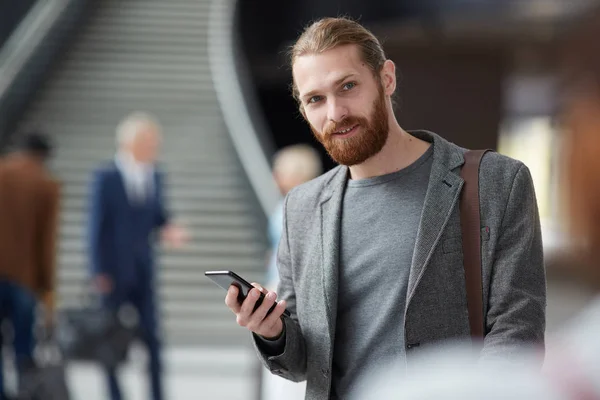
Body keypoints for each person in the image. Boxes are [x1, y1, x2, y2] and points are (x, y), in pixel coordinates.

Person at [224, 17, 546, 399]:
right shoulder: (303, 208)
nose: (335, 112)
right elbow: (303, 361)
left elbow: (517, 332)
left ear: (386, 79)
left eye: (348, 86)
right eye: (316, 99)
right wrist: (272, 331)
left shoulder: (497, 182)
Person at [88, 112, 188, 400]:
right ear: (131, 142)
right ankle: (115, 395)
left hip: (144, 269)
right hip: (113, 271)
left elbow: (158, 216)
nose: (155, 147)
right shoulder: (106, 176)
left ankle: (157, 394)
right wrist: (98, 271)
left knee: (153, 339)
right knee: (109, 339)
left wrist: (169, 229)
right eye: (150, 141)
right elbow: (96, 227)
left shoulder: (156, 175)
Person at [0, 132, 60, 399]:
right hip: (24, 279)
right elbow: (46, 243)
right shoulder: (45, 184)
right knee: (23, 344)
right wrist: (48, 291)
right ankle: (26, 392)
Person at [262, 144, 322, 400]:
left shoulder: (298, 207)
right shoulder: (294, 204)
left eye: (280, 172)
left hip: (288, 288)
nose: (275, 178)